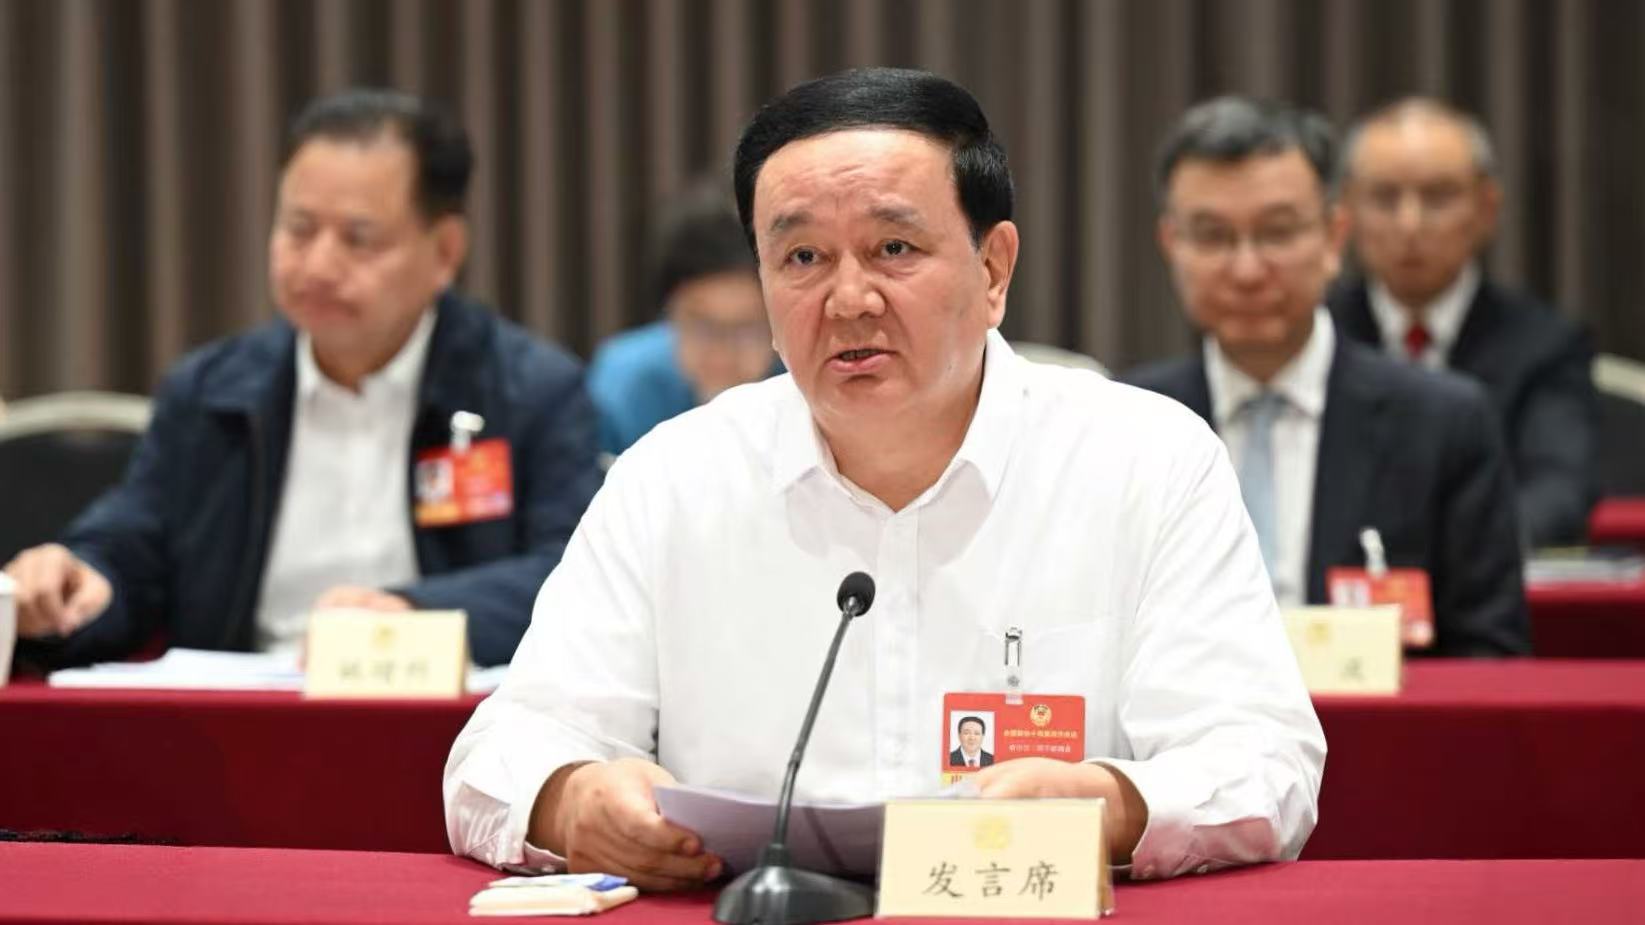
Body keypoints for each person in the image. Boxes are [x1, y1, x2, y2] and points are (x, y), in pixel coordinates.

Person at [445, 67, 1323, 889]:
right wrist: (571, 797)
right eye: (801, 259)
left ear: (993, 268)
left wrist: (1114, 802)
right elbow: (501, 749)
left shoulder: (1146, 461)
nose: (848, 299)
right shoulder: (671, 477)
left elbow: (1262, 759)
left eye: (893, 248)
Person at [3, 89, 602, 670]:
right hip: (242, 715)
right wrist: (82, 580)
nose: (317, 265)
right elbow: (135, 551)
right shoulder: (210, 393)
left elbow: (577, 573)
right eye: (299, 228)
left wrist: (414, 612)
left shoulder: (530, 392)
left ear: (445, 251)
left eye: (358, 239)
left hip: (440, 716)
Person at [1123, 96, 1529, 657]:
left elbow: (1491, 654)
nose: (1247, 269)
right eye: (1213, 236)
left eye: (1277, 232)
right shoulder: (1126, 423)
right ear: (1171, 244)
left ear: (1335, 237)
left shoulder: (1443, 422)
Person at [1328, 97, 1598, 548]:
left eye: (1437, 197)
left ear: (1487, 208)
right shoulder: (1317, 333)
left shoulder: (1544, 344)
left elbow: (1558, 491)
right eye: (1385, 198)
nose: (1409, 224)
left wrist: (1458, 561)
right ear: (1346, 212)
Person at [586, 185, 779, 455]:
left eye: (747, 329)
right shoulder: (626, 383)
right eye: (702, 327)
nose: (722, 355)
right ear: (668, 312)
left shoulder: (803, 380)